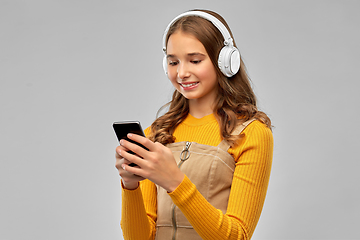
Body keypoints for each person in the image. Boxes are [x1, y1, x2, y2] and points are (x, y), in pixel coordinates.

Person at [115, 9, 273, 240]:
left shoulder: (252, 133)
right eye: (173, 62)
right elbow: (139, 238)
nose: (181, 73)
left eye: (195, 60)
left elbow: (237, 236)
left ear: (225, 61)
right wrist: (129, 185)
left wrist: (174, 181)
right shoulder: (155, 135)